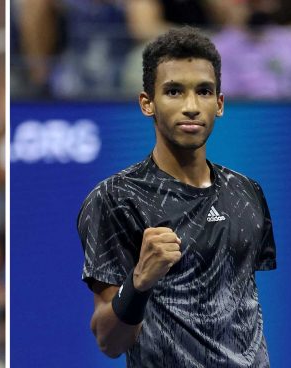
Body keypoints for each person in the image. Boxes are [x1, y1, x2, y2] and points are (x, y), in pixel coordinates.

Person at [77, 27, 277, 367]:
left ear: (220, 103)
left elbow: (245, 310)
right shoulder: (115, 198)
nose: (191, 106)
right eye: (173, 91)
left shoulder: (247, 192)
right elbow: (109, 342)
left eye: (203, 91)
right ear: (147, 103)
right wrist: (139, 282)